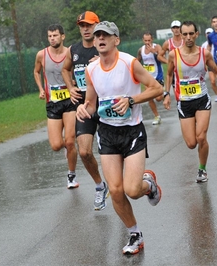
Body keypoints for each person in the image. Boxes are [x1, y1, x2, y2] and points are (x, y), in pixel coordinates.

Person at [76, 21, 162, 255]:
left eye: (106, 35)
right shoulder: (91, 70)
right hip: (108, 134)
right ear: (93, 42)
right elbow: (91, 104)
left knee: (132, 190)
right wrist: (83, 109)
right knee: (115, 190)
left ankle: (149, 184)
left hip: (132, 132)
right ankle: (135, 233)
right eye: (97, 36)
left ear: (117, 40)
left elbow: (157, 88)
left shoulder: (129, 63)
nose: (100, 39)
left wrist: (132, 100)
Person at [163, 20, 217, 183]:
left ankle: (202, 170)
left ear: (196, 34)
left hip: (202, 100)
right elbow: (170, 74)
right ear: (180, 35)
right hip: (184, 102)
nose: (188, 37)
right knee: (191, 143)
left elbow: (216, 71)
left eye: (191, 33)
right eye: (185, 34)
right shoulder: (173, 55)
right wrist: (166, 94)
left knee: (201, 137)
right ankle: (200, 162)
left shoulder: (204, 53)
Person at [61, 11, 109, 210]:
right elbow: (65, 69)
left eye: (89, 25)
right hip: (84, 107)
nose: (86, 29)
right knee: (84, 151)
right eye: (82, 25)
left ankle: (119, 182)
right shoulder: (73, 50)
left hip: (106, 106)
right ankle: (100, 185)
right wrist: (70, 88)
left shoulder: (105, 48)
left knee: (111, 153)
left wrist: (101, 63)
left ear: (97, 26)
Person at [33, 24, 78, 188]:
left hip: (70, 101)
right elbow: (36, 71)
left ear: (63, 36)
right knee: (56, 145)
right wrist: (40, 89)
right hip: (53, 102)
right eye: (50, 36)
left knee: (71, 141)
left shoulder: (70, 52)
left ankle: (71, 175)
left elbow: (80, 69)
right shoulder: (41, 55)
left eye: (55, 35)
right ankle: (67, 148)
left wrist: (75, 83)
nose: (52, 38)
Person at [136, 32, 165, 125]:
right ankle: (157, 116)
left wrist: (155, 52)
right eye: (145, 40)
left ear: (152, 39)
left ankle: (164, 94)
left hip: (158, 75)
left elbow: (162, 57)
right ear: (143, 40)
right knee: (149, 97)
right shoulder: (141, 50)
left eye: (149, 40)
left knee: (159, 98)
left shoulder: (157, 47)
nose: (147, 42)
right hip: (147, 78)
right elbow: (137, 61)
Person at [158, 20, 183, 91]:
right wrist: (168, 62)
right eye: (174, 28)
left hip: (185, 70)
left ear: (181, 28)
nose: (176, 30)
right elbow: (159, 56)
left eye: (177, 27)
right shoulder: (167, 43)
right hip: (174, 71)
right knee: (177, 93)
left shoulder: (185, 41)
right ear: (171, 29)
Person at [201, 28, 217, 103]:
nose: (208, 35)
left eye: (210, 33)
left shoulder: (216, 42)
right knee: (212, 81)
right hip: (210, 64)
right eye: (207, 33)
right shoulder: (204, 45)